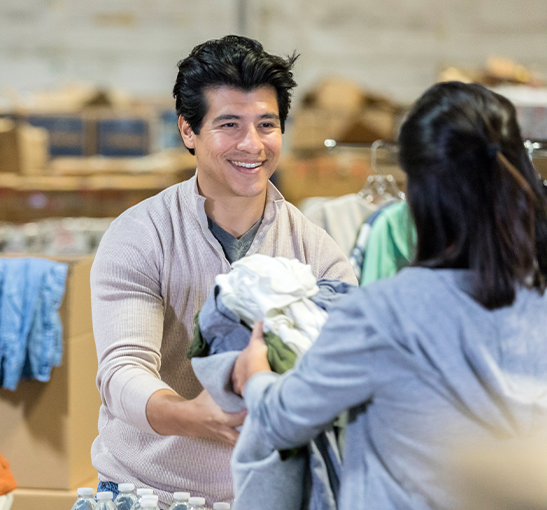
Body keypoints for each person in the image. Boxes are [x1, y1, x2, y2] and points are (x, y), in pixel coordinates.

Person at [232, 81, 547, 510]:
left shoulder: (383, 314)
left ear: (416, 190)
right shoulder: (536, 300)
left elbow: (284, 418)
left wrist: (256, 379)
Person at [90, 35, 356, 506]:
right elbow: (121, 372)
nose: (251, 145)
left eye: (267, 125)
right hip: (147, 493)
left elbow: (348, 369)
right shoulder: (140, 235)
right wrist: (193, 415)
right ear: (189, 131)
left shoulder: (316, 251)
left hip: (269, 494)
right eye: (229, 124)